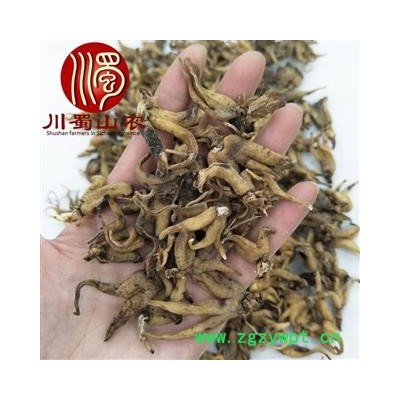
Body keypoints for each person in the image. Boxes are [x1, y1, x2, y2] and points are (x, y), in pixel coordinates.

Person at [41, 44, 318, 359]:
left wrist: (188, 217)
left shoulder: (214, 175)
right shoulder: (165, 200)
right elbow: (162, 209)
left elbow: (188, 220)